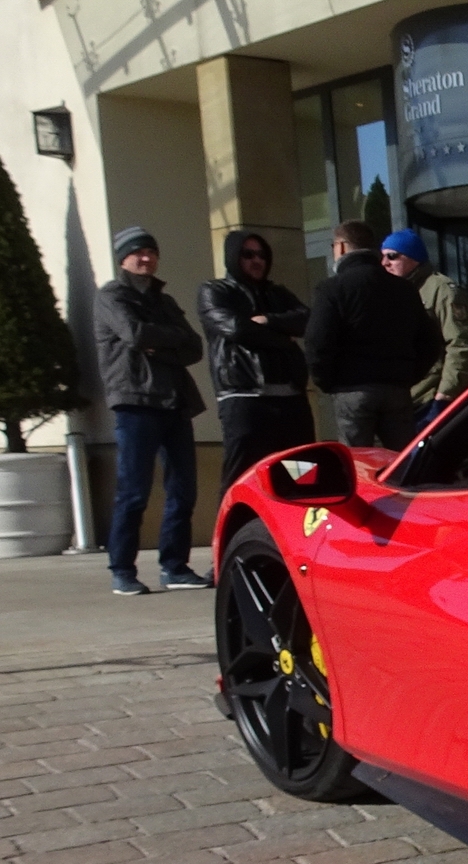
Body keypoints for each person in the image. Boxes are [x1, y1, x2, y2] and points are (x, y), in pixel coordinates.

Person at [94, 226, 208, 596]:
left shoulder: (165, 300)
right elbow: (134, 335)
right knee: (134, 491)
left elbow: (194, 347)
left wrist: (161, 343)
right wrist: (163, 340)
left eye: (151, 252)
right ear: (123, 259)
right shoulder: (112, 296)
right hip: (135, 402)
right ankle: (122, 569)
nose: (146, 258)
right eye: (138, 252)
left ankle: (174, 566)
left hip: (174, 402)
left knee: (183, 490)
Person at [304, 219, 441, 450]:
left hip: (352, 389)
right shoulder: (404, 289)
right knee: (403, 462)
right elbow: (429, 342)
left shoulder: (332, 288)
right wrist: (406, 376)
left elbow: (318, 342)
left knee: (358, 464)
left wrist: (327, 381)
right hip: (396, 389)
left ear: (342, 247)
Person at [199, 230, 313, 495]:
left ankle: (296, 534)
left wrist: (269, 321)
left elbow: (308, 320)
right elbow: (237, 329)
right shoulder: (214, 291)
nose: (256, 260)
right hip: (244, 398)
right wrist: (284, 338)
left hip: (291, 400)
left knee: (303, 474)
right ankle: (231, 536)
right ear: (233, 257)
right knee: (241, 479)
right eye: (248, 254)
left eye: (261, 255)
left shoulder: (279, 293)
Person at [379, 229, 468, 427]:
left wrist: (445, 395)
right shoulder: (392, 293)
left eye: (392, 256)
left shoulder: (441, 290)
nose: (385, 263)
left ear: (413, 258)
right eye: (382, 257)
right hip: (403, 402)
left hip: (430, 399)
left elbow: (462, 344)